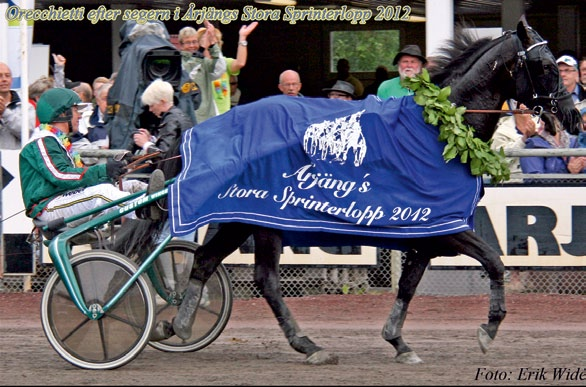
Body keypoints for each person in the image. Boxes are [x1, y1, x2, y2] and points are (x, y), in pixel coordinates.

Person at [19, 88, 148, 228]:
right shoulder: (43, 140)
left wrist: (117, 166)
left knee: (132, 185)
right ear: (62, 113)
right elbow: (61, 175)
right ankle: (144, 210)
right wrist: (104, 170)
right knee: (102, 193)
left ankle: (159, 202)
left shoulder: (57, 140)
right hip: (48, 207)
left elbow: (78, 176)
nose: (80, 116)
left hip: (64, 200)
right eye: (75, 111)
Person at [131, 79, 194, 157]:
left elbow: (163, 156)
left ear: (162, 102)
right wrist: (151, 139)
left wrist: (145, 144)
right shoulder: (179, 115)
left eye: (152, 105)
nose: (150, 110)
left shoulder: (171, 120)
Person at [179, 21, 226, 124]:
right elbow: (190, 72)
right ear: (181, 45)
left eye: (194, 42)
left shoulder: (202, 60)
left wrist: (213, 43)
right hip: (188, 118)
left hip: (207, 117)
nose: (192, 45)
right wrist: (201, 49)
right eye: (188, 42)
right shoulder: (178, 62)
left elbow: (220, 69)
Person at [210, 22, 258, 115]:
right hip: (203, 119)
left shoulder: (224, 63)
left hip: (222, 118)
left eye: (216, 42)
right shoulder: (198, 64)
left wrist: (242, 38)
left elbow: (240, 63)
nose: (212, 44)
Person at [520, 112, 586, 178]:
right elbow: (534, 181)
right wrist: (568, 172)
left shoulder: (575, 142)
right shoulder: (533, 145)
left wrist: (581, 169)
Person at [490, 102, 539, 182]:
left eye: (526, 102)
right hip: (511, 183)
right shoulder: (501, 131)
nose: (522, 106)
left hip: (541, 182)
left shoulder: (544, 126)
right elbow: (497, 162)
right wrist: (523, 140)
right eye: (519, 103)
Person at [0, 62, 36, 149]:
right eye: (0, 76)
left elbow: (28, 133)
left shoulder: (25, 107)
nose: (4, 79)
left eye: (7, 76)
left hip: (16, 159)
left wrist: (5, 113)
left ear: (11, 80)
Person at [86, 82, 111, 149]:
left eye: (111, 99)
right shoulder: (86, 121)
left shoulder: (125, 121)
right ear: (97, 101)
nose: (109, 103)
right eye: (105, 99)